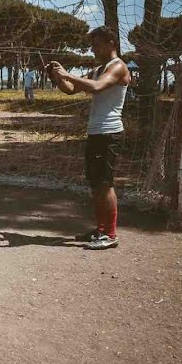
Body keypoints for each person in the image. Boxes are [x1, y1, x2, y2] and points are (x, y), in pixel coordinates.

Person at [46, 26, 131, 250]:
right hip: (95, 132)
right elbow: (70, 89)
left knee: (105, 184)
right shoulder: (98, 69)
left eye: (97, 44)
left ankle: (111, 234)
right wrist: (57, 76)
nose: (93, 49)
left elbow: (98, 87)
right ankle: (101, 229)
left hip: (110, 133)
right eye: (92, 45)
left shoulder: (118, 67)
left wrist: (67, 74)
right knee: (96, 185)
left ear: (111, 42)